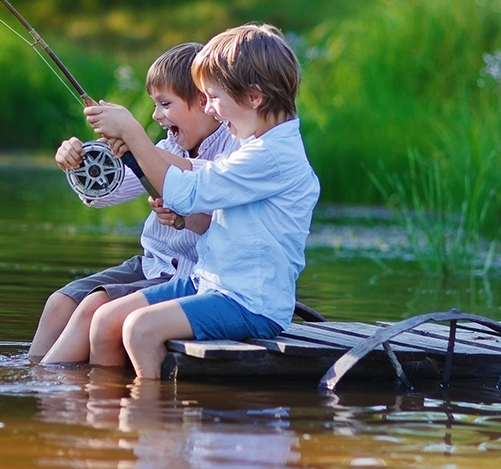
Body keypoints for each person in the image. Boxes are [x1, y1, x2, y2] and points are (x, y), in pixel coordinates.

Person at [83, 23, 319, 379]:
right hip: (207, 282)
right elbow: (200, 182)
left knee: (140, 329)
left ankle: (150, 422)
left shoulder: (272, 155)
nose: (209, 108)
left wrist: (133, 133)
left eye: (214, 97)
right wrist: (139, 152)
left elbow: (188, 192)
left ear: (254, 97)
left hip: (247, 302)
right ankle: (106, 414)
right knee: (106, 319)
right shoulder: (253, 144)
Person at [28, 42, 235, 364]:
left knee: (92, 308)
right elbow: (105, 195)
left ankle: (51, 389)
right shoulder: (169, 146)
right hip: (152, 264)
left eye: (165, 104)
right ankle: (31, 373)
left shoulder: (233, 150)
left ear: (203, 101)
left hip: (192, 276)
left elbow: (205, 179)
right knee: (60, 302)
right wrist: (81, 161)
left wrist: (136, 141)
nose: (156, 115)